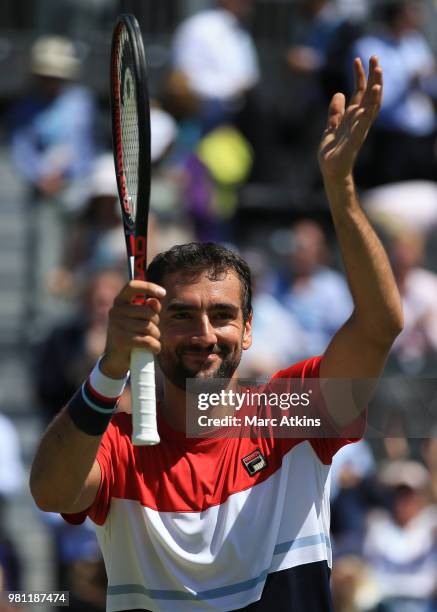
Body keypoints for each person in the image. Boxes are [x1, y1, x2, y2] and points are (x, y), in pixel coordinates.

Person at [30, 57, 404, 611]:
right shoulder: (118, 444)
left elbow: (380, 324)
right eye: (181, 315)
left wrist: (340, 190)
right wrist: (110, 366)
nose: (205, 332)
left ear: (248, 328)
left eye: (223, 315)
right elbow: (51, 491)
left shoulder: (289, 417)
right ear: (153, 327)